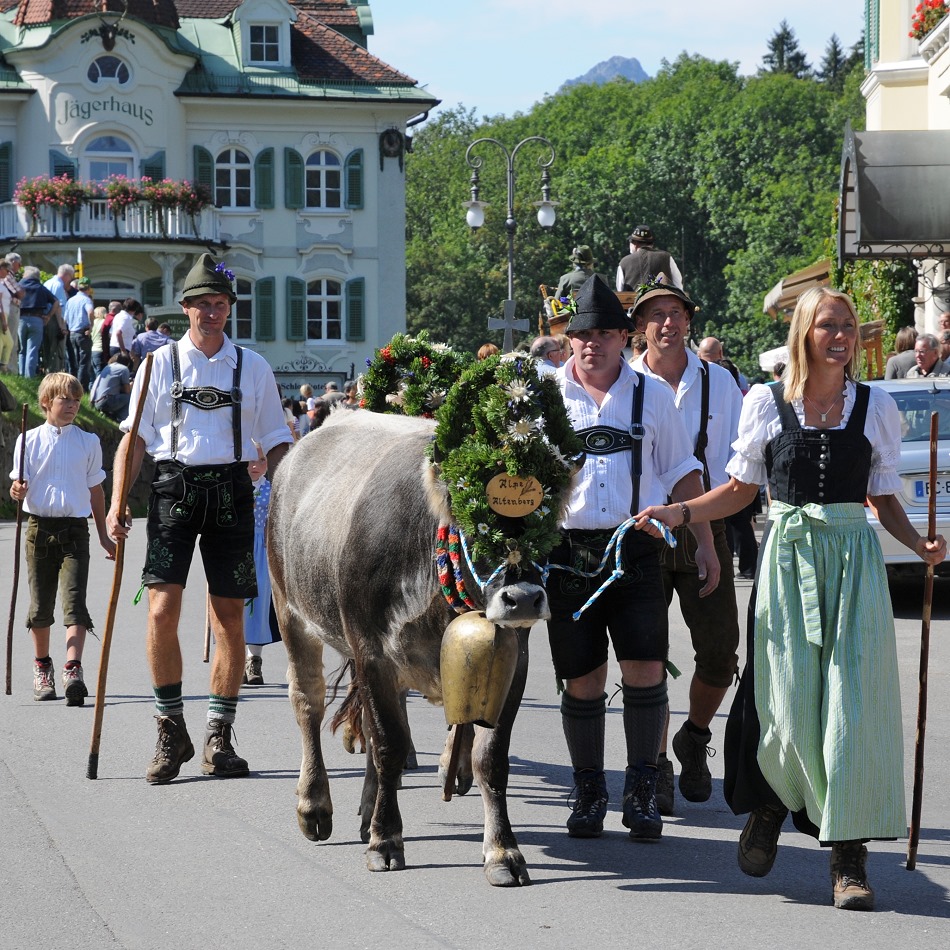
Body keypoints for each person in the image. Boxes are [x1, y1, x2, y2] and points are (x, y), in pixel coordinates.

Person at [634, 287, 947, 911]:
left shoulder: (874, 406)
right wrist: (680, 510)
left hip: (854, 564)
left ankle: (848, 857)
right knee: (784, 700)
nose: (843, 336)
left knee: (852, 707)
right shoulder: (767, 404)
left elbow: (882, 498)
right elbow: (738, 490)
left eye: (849, 326)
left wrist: (920, 543)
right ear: (804, 333)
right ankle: (771, 805)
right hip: (788, 562)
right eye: (829, 325)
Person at [105, 253, 293, 785]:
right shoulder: (158, 365)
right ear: (184, 309)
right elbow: (132, 441)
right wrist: (119, 503)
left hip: (233, 491)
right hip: (173, 490)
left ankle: (218, 736)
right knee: (161, 610)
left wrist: (280, 486)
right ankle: (170, 730)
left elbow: (279, 442)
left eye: (219, 304)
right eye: (201, 305)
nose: (211, 313)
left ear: (229, 308)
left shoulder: (252, 366)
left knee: (229, 617)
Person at [545, 274, 718, 842]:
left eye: (603, 332)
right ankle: (590, 791)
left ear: (625, 337)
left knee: (643, 669)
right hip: (568, 552)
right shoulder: (547, 397)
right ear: (569, 339)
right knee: (582, 677)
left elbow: (683, 474)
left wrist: (708, 546)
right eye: (581, 333)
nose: (590, 342)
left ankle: (642, 790)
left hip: (636, 546)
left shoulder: (651, 397)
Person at [629, 281, 742, 816]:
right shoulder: (625, 382)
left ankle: (693, 737)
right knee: (645, 657)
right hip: (643, 533)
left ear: (690, 321)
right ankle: (655, 764)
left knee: (720, 654)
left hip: (707, 528)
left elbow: (745, 462)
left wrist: (711, 536)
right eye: (656, 315)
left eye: (676, 313)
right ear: (640, 326)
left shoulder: (720, 383)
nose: (667, 323)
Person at [8, 373, 115, 704]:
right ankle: (43, 668)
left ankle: (73, 669)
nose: (71, 405)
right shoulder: (28, 440)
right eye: (64, 400)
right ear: (45, 403)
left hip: (75, 531)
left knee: (74, 603)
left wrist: (103, 535)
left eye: (76, 400)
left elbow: (96, 492)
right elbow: (16, 488)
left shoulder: (88, 442)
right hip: (38, 529)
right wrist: (17, 491)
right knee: (40, 607)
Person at [242, 443, 281, 686]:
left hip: (263, 550)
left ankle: (253, 659)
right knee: (234, 604)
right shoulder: (235, 490)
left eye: (261, 460)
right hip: (237, 548)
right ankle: (233, 658)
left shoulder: (273, 491)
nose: (255, 466)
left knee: (259, 602)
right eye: (250, 461)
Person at [17, 266, 61, 378]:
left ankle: (21, 375)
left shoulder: (19, 285)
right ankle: (29, 376)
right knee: (32, 350)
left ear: (26, 275)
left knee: (22, 350)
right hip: (37, 319)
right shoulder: (41, 288)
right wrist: (48, 316)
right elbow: (56, 301)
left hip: (21, 318)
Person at [615, 225, 682, 293]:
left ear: (634, 244)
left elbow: (620, 291)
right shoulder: (666, 257)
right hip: (665, 302)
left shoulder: (624, 262)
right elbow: (678, 284)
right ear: (651, 244)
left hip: (633, 303)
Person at [42, 263, 74, 375]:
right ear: (66, 275)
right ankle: (54, 377)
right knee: (56, 351)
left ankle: (47, 375)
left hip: (45, 319)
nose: (69, 281)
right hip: (55, 321)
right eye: (70, 278)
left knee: (48, 350)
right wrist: (62, 326)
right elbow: (58, 306)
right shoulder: (58, 285)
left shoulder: (47, 283)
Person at [63, 277, 94, 390]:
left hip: (72, 333)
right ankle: (81, 388)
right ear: (89, 288)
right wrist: (91, 327)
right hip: (82, 333)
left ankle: (71, 386)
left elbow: (65, 319)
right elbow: (90, 312)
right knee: (84, 362)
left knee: (73, 361)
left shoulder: (70, 300)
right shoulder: (86, 300)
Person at [90, 352, 132, 421]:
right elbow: (127, 391)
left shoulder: (108, 367)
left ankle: (108, 414)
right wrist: (131, 385)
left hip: (95, 402)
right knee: (130, 397)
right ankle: (121, 420)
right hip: (105, 402)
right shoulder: (124, 369)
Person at [3, 253, 24, 373]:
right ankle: (9, 369)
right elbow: (20, 293)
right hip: (11, 309)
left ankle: (9, 368)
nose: (20, 267)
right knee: (11, 340)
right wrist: (21, 291)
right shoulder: (8, 276)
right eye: (19, 264)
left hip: (10, 308)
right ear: (13, 263)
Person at [89, 306, 109, 381]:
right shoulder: (104, 322)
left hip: (92, 349)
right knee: (100, 372)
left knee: (92, 373)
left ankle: (91, 390)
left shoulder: (91, 322)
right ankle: (98, 389)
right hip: (100, 349)